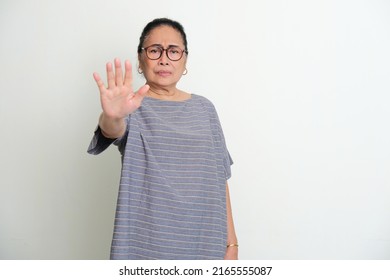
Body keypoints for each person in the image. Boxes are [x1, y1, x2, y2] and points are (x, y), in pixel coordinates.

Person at [88, 18, 237, 260]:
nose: (164, 59)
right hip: (144, 246)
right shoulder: (131, 107)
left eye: (174, 51)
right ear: (140, 59)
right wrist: (111, 115)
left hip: (205, 243)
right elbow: (111, 129)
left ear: (185, 59)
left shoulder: (205, 109)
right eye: (155, 50)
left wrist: (232, 245)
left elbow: (220, 180)